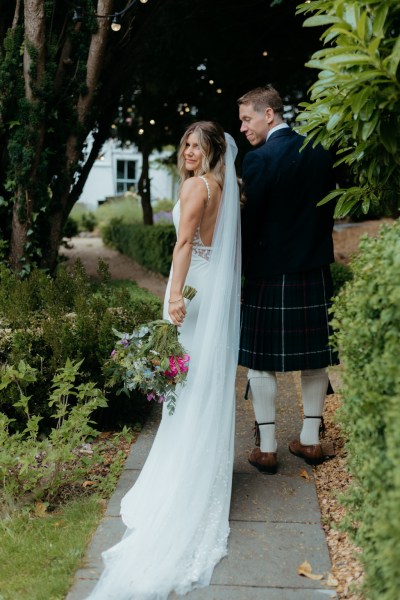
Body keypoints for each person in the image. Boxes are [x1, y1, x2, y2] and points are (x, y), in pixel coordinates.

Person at [87, 122, 241, 599]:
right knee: (199, 381)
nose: (189, 151)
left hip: (194, 287)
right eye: (186, 144)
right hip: (212, 283)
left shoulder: (198, 186)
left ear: (212, 150)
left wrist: (173, 296)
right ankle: (198, 463)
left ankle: (185, 474)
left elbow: (182, 243)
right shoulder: (225, 187)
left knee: (190, 381)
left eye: (197, 145)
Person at [237, 85, 338, 475]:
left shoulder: (259, 159)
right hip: (313, 268)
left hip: (270, 272)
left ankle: (267, 448)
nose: (243, 127)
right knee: (315, 356)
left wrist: (239, 264)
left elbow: (251, 219)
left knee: (261, 361)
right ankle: (310, 440)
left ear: (268, 115)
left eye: (247, 118)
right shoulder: (318, 150)